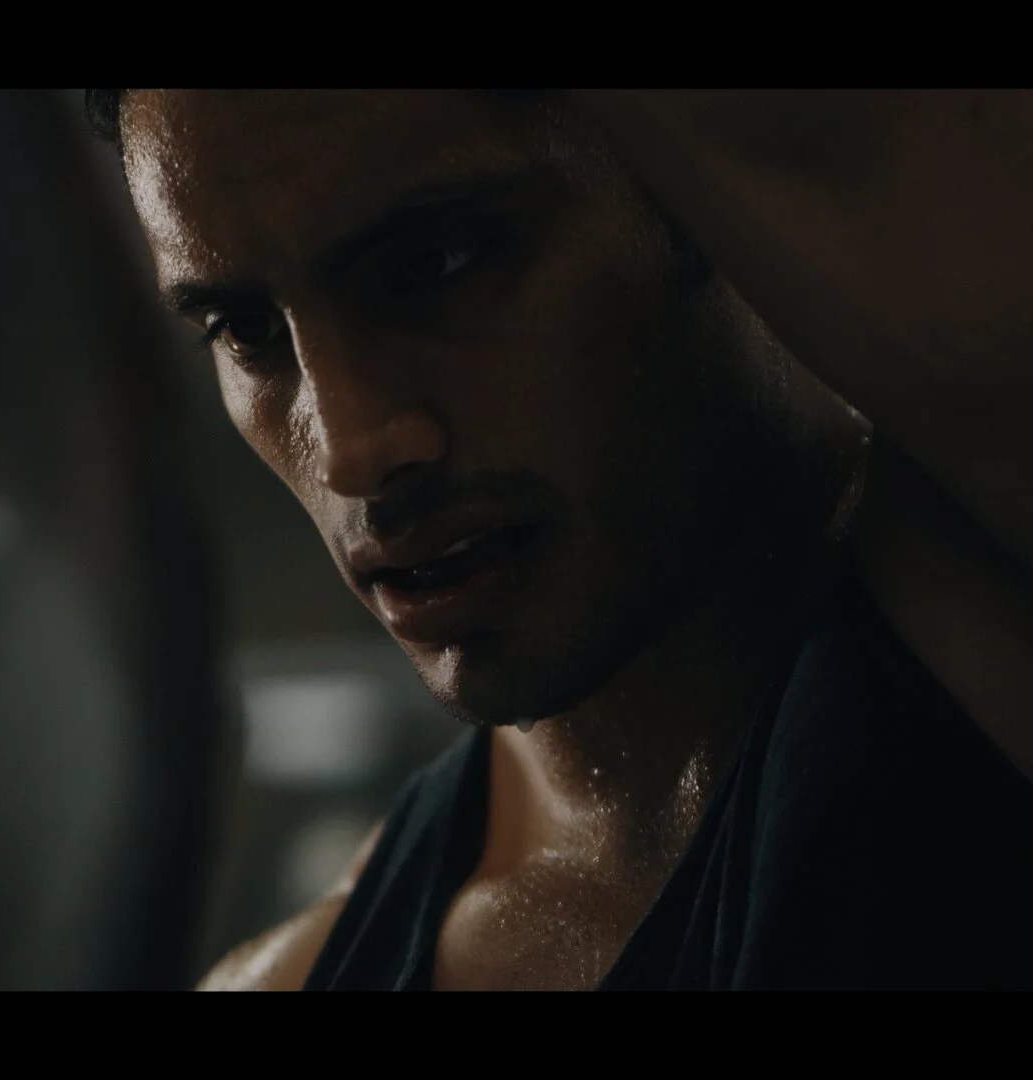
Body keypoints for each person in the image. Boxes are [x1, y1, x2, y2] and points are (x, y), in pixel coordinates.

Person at [85, 89, 1033, 990]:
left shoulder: (985, 610)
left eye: (436, 264)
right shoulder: (295, 974)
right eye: (247, 330)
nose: (351, 448)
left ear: (697, 199)